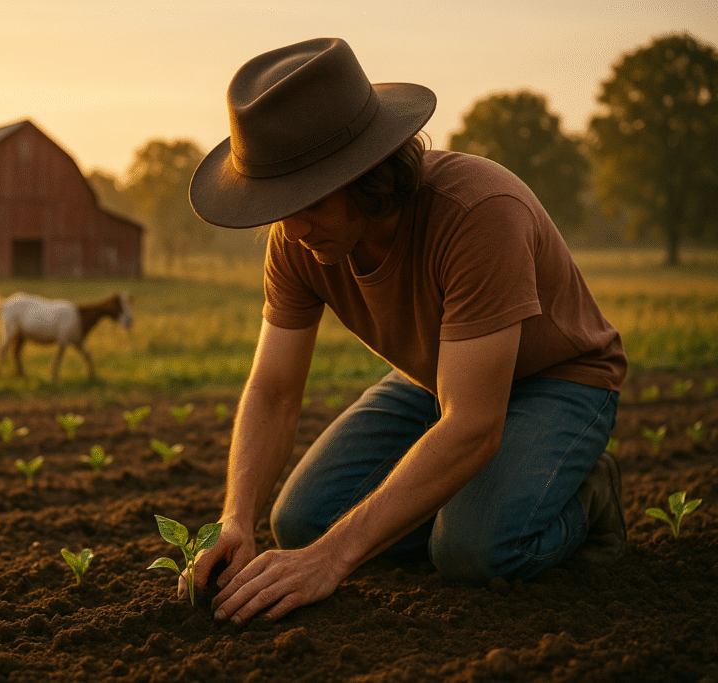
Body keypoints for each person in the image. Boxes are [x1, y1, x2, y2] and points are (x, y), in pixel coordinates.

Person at [182, 37, 628, 624]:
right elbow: (273, 390)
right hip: (437, 377)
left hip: (560, 379)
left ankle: (586, 495)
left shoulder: (477, 213)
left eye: (306, 199)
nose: (291, 227)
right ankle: (479, 502)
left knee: (472, 551)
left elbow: (472, 424)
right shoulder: (299, 241)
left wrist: (333, 560)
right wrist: (236, 518)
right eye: (276, 202)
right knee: (301, 523)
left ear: (365, 172)